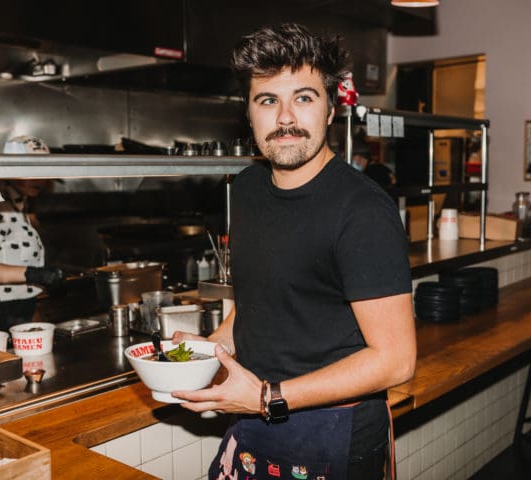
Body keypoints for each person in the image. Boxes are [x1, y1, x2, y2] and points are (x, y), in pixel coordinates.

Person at [172, 23, 416, 479]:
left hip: (334, 427)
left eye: (303, 98)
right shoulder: (246, 189)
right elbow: (258, 303)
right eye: (268, 100)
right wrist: (208, 352)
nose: (285, 118)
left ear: (329, 112)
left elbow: (396, 360)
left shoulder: (362, 210)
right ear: (249, 113)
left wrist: (267, 397)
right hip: (254, 416)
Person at [0, 177, 64, 331]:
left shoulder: (19, 206)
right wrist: (33, 274)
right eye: (29, 172)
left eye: (42, 172)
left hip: (20, 310)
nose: (38, 180)